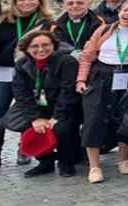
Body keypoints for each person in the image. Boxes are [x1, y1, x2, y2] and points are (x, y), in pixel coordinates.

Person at [0, 0, 55, 171]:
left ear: (39, 1)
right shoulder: (0, 19)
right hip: (0, 72)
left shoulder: (47, 22)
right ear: (14, 2)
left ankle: (24, 148)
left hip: (30, 73)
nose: (26, 3)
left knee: (27, 109)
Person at [76, 0, 128, 184]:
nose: (127, 14)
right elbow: (87, 55)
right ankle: (94, 166)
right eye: (125, 10)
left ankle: (123, 158)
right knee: (94, 119)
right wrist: (81, 79)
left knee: (126, 119)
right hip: (101, 76)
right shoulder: (105, 29)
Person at [10, 29, 80, 178]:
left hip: (66, 107)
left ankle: (66, 163)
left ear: (54, 45)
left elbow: (68, 91)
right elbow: (21, 93)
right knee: (32, 128)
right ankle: (45, 163)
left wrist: (57, 116)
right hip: (39, 108)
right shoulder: (22, 64)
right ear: (26, 49)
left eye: (45, 45)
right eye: (34, 46)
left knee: (61, 129)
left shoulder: (66, 61)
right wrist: (35, 118)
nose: (41, 49)